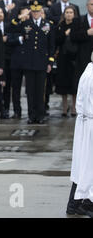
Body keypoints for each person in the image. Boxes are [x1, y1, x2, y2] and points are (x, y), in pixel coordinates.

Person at [14, 1, 55, 124]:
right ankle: (31, 115)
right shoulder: (26, 23)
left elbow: (51, 45)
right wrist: (21, 16)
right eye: (34, 11)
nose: (36, 14)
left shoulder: (48, 24)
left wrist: (50, 62)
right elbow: (12, 27)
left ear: (41, 11)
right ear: (31, 12)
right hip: (29, 62)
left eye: (38, 11)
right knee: (30, 91)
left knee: (40, 90)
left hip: (42, 62)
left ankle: (40, 115)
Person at [66, 53, 93, 218]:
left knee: (81, 165)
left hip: (84, 124)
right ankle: (88, 205)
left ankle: (73, 205)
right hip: (90, 123)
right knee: (88, 165)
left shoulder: (87, 71)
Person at [55, 6, 79, 117]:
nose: (69, 14)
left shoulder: (77, 25)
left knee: (74, 85)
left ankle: (74, 107)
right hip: (63, 58)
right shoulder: (60, 26)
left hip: (74, 58)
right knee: (63, 84)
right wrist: (65, 34)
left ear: (74, 14)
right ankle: (65, 107)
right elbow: (57, 40)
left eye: (71, 12)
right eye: (67, 12)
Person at [70, 0, 93, 95]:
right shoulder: (78, 20)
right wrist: (86, 33)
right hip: (82, 58)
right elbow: (73, 36)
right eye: (91, 4)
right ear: (87, 6)